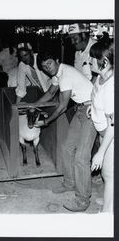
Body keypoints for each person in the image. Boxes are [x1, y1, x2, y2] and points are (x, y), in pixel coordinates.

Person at [35, 50, 97, 212]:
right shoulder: (58, 74)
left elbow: (62, 106)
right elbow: (50, 93)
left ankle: (83, 199)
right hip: (81, 109)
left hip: (92, 110)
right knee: (66, 147)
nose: (47, 68)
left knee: (81, 157)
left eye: (49, 63)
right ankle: (69, 183)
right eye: (43, 67)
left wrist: (46, 121)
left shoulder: (66, 74)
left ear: (56, 60)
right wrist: (32, 106)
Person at [87, 40, 114, 212]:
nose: (89, 61)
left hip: (111, 136)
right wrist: (93, 106)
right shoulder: (101, 76)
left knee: (110, 175)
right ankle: (108, 201)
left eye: (92, 58)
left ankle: (107, 214)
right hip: (103, 133)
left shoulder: (112, 87)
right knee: (107, 174)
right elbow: (96, 92)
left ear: (104, 61)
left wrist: (100, 152)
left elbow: (113, 124)